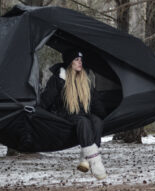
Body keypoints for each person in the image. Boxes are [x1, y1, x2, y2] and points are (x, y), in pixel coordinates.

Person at [39, 49, 107, 180]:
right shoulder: (58, 79)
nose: (80, 62)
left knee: (97, 121)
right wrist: (40, 113)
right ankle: (96, 164)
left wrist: (104, 115)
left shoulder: (85, 79)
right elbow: (46, 99)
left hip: (83, 115)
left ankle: (85, 159)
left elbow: (95, 100)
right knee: (84, 122)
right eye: (76, 60)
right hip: (64, 116)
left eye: (81, 60)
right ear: (70, 62)